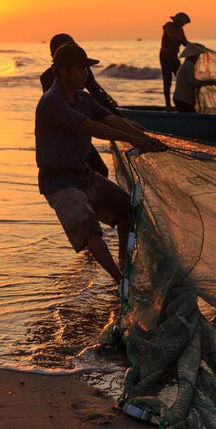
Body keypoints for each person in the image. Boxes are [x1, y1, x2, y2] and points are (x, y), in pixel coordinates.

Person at [35, 42, 166, 284]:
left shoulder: (84, 98)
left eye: (87, 68)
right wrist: (132, 138)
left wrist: (145, 136)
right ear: (62, 72)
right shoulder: (51, 101)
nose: (86, 73)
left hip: (83, 175)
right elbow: (90, 127)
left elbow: (110, 119)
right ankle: (120, 281)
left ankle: (124, 263)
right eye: (80, 69)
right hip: (59, 182)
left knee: (128, 209)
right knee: (91, 232)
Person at [40, 33, 119, 178]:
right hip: (64, 136)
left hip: (80, 132)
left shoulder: (81, 70)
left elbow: (96, 95)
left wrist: (115, 115)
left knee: (100, 171)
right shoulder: (48, 82)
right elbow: (61, 113)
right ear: (55, 55)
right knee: (95, 170)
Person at [173, 44, 216, 112]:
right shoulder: (189, 64)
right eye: (197, 55)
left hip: (180, 98)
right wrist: (209, 82)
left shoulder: (186, 64)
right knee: (191, 117)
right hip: (182, 99)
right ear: (194, 56)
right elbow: (192, 81)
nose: (198, 57)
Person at [159, 12, 191, 109]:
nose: (183, 25)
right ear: (178, 21)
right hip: (165, 56)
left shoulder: (181, 30)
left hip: (174, 56)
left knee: (181, 77)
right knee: (167, 81)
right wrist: (182, 41)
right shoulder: (169, 26)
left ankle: (181, 103)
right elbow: (173, 37)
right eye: (182, 23)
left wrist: (195, 47)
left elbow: (185, 43)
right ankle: (168, 105)